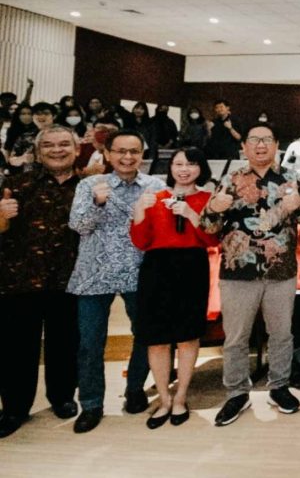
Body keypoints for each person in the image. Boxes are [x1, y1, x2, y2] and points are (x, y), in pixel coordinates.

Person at [200, 123, 300, 426]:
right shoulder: (230, 180)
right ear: (245, 147)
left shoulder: (293, 179)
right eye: (254, 140)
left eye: (266, 139)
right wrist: (214, 207)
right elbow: (208, 227)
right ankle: (237, 393)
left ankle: (279, 387)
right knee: (236, 337)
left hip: (281, 270)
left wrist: (299, 204)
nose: (261, 145)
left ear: (277, 145)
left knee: (282, 334)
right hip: (238, 272)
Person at [66, 129, 166, 433]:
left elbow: (163, 229)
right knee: (89, 342)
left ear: (142, 154)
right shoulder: (89, 185)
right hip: (94, 274)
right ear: (107, 154)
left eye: (134, 151)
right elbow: (78, 225)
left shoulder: (155, 186)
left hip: (139, 272)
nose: (127, 157)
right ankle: (91, 403)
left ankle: (135, 388)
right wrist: (97, 203)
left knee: (146, 336)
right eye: (120, 151)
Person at [0, 125, 81, 438]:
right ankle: (14, 408)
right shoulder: (15, 184)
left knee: (65, 343)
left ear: (76, 149)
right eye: (48, 145)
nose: (57, 150)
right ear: (37, 151)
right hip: (20, 280)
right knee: (16, 348)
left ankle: (62, 397)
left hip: (70, 279)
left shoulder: (89, 186)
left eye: (64, 144)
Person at [129, 147, 217, 429]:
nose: (184, 169)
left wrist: (190, 214)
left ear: (200, 168)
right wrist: (139, 212)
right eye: (178, 164)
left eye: (191, 164)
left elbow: (213, 239)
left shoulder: (207, 199)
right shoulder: (154, 198)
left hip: (192, 267)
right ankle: (164, 399)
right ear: (170, 168)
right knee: (157, 338)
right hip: (157, 268)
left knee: (188, 336)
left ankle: (180, 397)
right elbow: (140, 241)